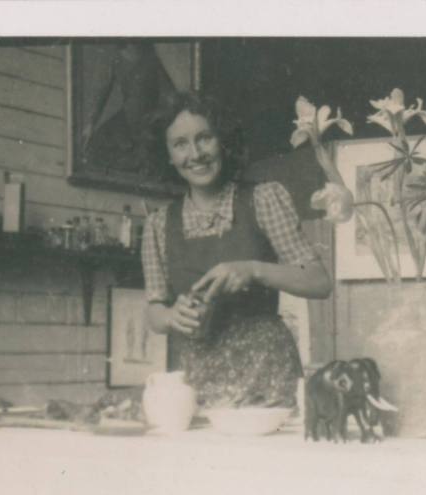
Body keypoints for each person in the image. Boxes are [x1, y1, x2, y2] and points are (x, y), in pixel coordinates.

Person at [141, 92, 332, 409]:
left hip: (267, 375)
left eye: (204, 138)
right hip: (194, 380)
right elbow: (154, 312)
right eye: (180, 144)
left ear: (223, 142)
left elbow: (318, 281)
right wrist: (173, 315)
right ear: (168, 156)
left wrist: (252, 269)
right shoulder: (158, 226)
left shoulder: (263, 199)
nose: (195, 154)